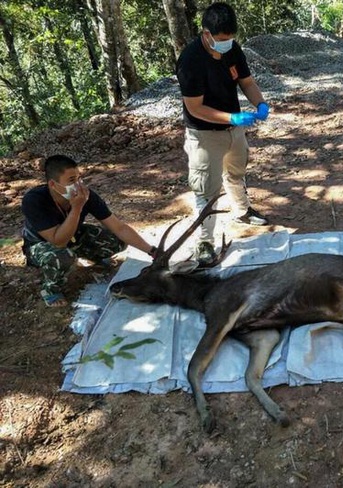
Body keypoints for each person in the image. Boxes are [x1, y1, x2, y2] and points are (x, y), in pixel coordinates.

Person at [176, 1, 270, 266]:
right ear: (206, 33)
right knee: (206, 188)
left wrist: (259, 103)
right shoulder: (190, 60)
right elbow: (195, 108)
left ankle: (241, 211)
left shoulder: (233, 50)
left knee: (237, 171)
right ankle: (204, 241)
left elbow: (247, 82)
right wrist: (232, 116)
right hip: (204, 133)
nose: (226, 43)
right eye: (221, 39)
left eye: (230, 39)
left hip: (234, 129)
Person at [21, 155, 156, 307]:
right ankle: (50, 290)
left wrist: (152, 251)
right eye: (71, 180)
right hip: (42, 245)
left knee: (116, 240)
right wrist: (77, 207)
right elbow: (58, 241)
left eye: (79, 178)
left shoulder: (86, 196)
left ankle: (93, 257)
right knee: (61, 256)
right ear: (53, 184)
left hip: (73, 236)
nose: (78, 184)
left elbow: (119, 227)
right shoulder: (34, 200)